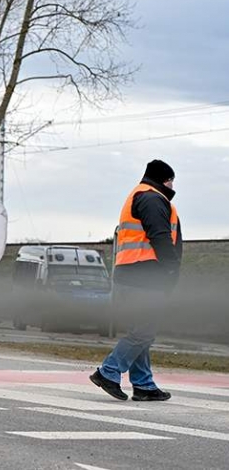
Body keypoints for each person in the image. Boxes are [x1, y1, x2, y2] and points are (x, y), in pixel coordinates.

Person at [90, 160, 181, 402]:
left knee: (141, 330)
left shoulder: (140, 195)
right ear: (165, 180)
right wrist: (171, 270)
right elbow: (160, 237)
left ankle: (143, 385)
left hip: (131, 274)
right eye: (172, 180)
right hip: (145, 275)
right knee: (144, 331)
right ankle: (108, 371)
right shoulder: (152, 198)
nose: (173, 185)